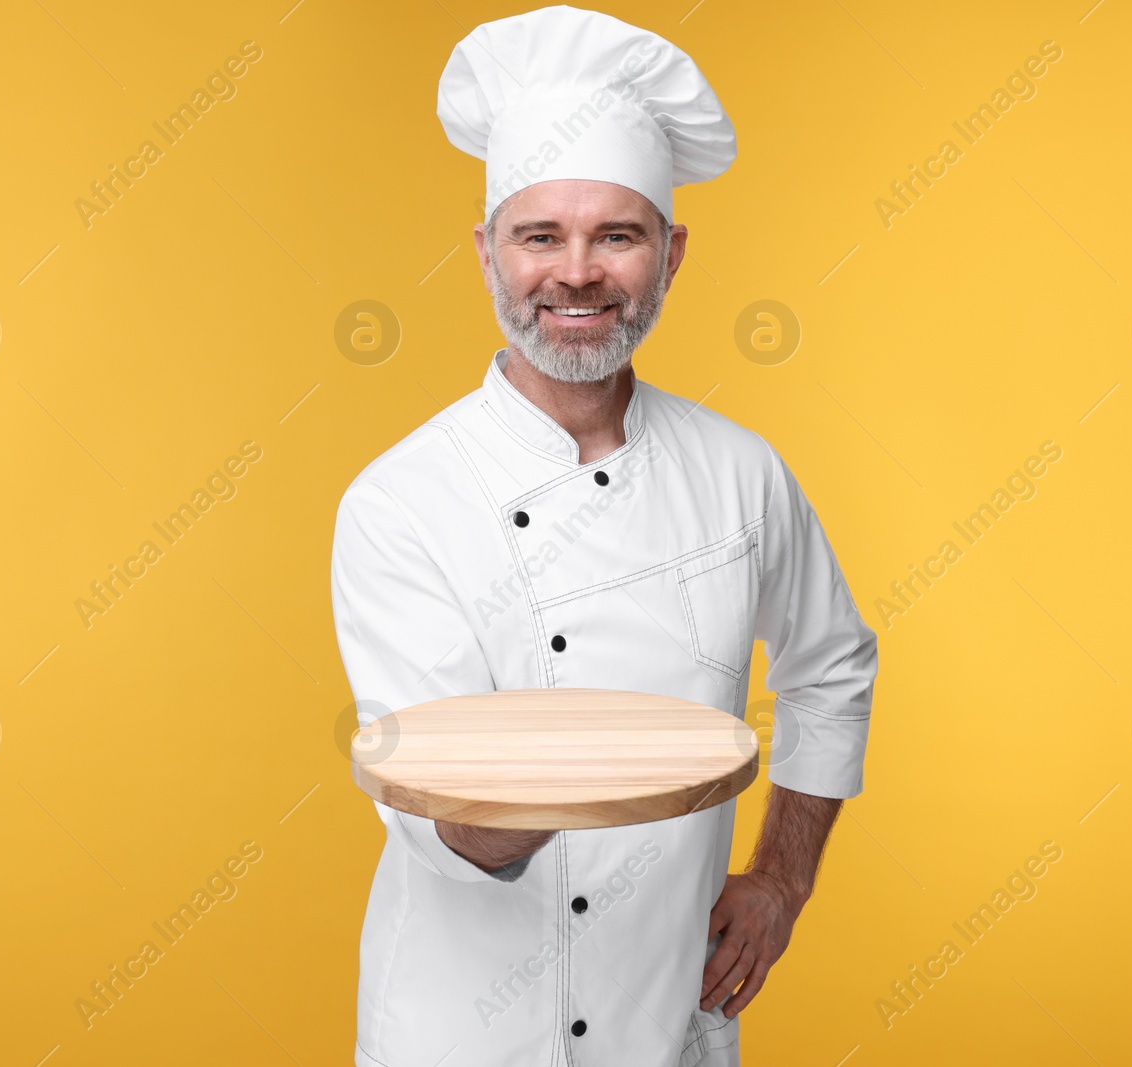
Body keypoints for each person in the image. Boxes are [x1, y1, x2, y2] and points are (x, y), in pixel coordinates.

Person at [329, 6, 878, 1065]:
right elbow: (448, 829)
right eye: (541, 235)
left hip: (663, 1012)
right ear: (488, 253)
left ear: (669, 254)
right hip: (460, 1027)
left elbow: (833, 663)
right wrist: (582, 774)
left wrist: (781, 879)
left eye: (615, 235)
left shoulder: (740, 471)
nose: (575, 273)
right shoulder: (401, 499)